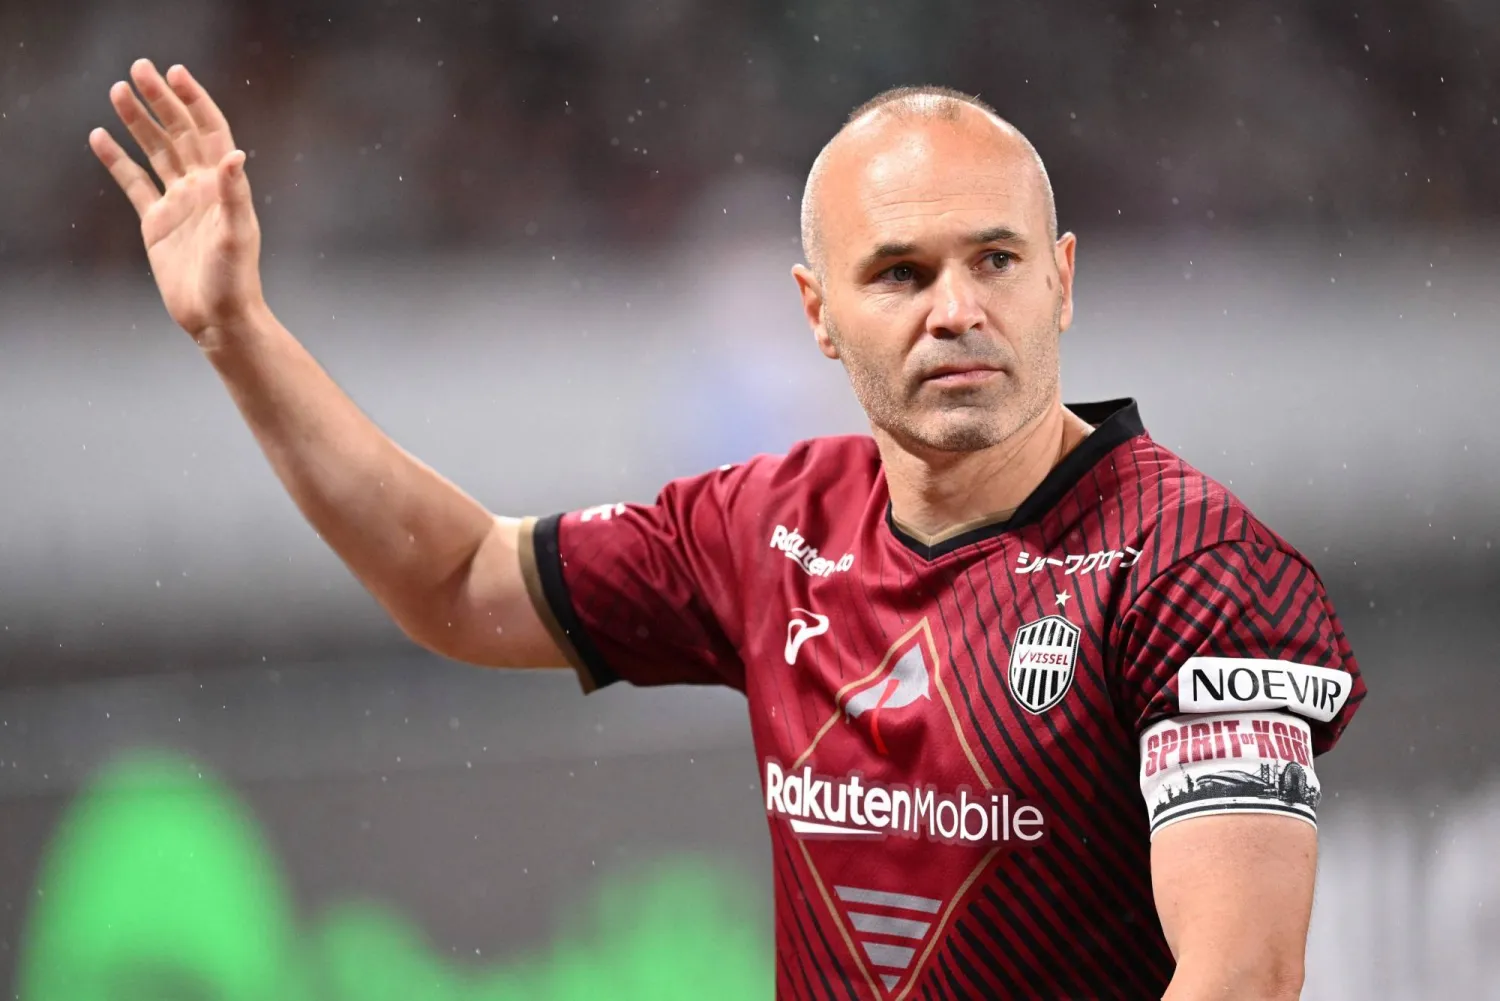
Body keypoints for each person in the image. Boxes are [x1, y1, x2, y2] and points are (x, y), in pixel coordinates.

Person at [91, 60, 1365, 1000]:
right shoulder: (766, 526)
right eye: (901, 273)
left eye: (996, 260)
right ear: (818, 310)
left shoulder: (1191, 565)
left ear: (1065, 278)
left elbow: (1243, 972)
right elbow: (461, 577)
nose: (957, 309)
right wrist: (238, 335)